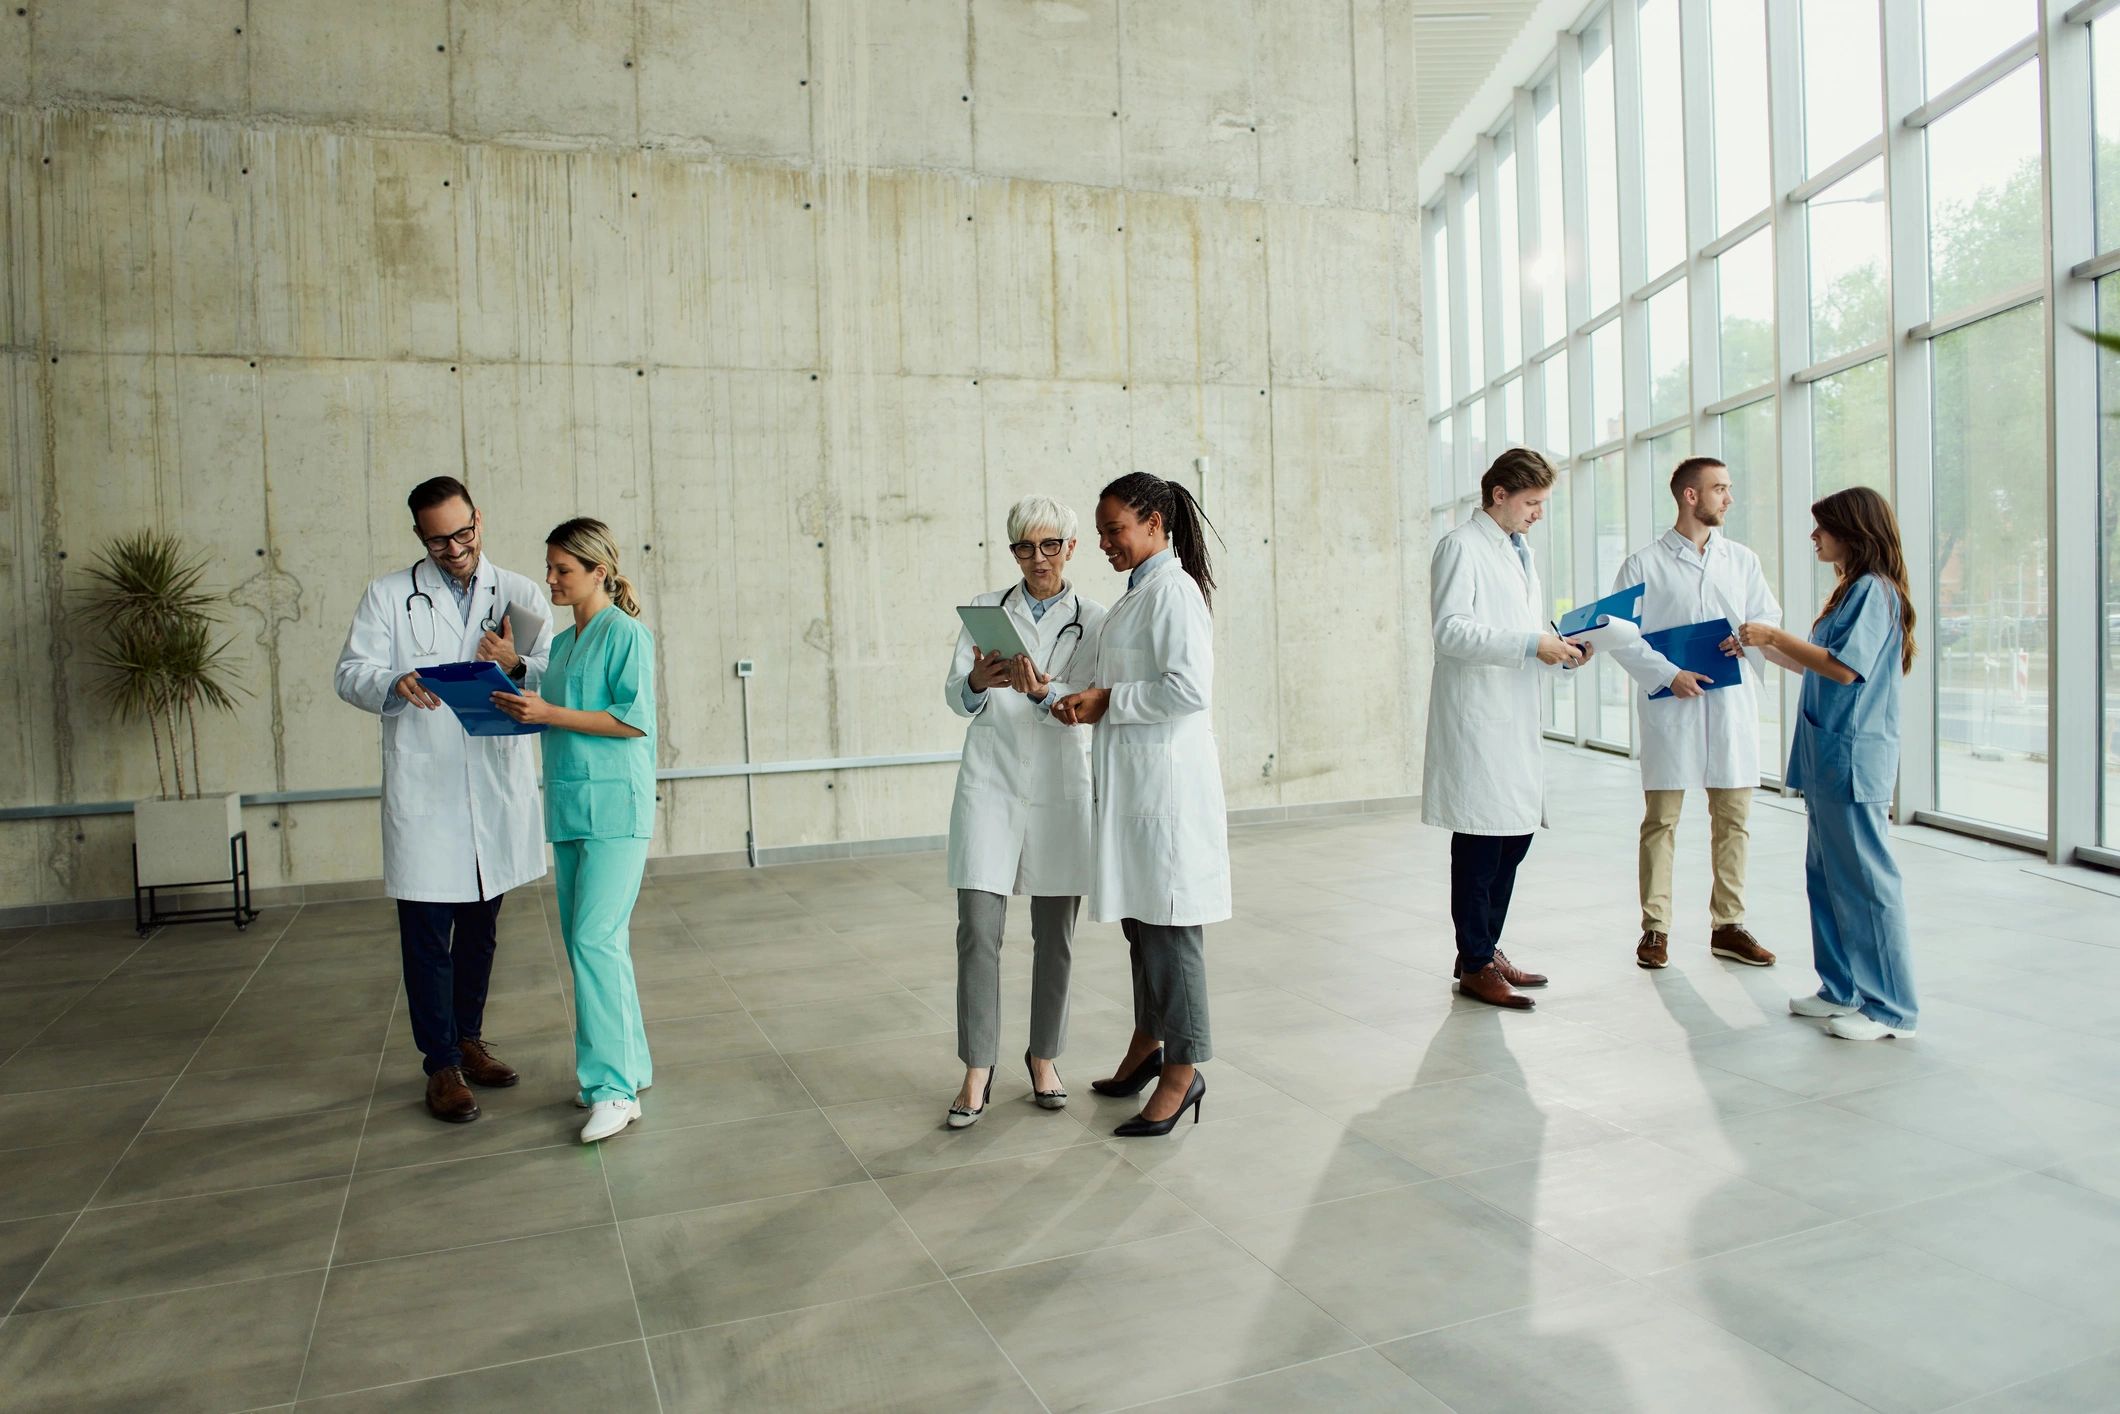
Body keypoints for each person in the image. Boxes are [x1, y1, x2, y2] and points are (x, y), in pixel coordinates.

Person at [334, 477, 550, 1124]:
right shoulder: (388, 596)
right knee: (427, 933)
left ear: (478, 520)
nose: (455, 548)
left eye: (464, 533)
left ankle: (470, 1039)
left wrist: (515, 664)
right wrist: (394, 681)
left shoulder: (518, 592)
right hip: (426, 788)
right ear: (419, 536)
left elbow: (552, 676)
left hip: (492, 781)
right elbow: (350, 673)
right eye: (438, 539)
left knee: (481, 929)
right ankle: (441, 1067)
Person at [1051, 472, 1227, 1137]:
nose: (1102, 543)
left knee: (1170, 930)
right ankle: (1145, 1045)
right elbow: (1119, 682)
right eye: (1099, 532)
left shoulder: (1174, 594)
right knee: (1142, 925)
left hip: (1168, 793)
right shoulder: (1136, 596)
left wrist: (1107, 703)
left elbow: (1187, 689)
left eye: (1113, 529)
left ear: (1154, 522)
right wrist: (1066, 693)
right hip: (1134, 788)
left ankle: (1183, 1072)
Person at [939, 496, 1108, 1128]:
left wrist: (1046, 692)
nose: (1036, 558)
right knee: (979, 932)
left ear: (1070, 548)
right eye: (1022, 547)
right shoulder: (986, 612)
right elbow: (957, 697)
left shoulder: (1094, 620)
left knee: (1054, 939)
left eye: (1048, 545)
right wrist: (981, 681)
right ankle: (977, 1068)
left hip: (1060, 787)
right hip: (991, 784)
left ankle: (1044, 1057)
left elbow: (1094, 701)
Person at [491, 519, 659, 1138]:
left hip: (617, 810)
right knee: (591, 941)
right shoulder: (561, 646)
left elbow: (630, 719)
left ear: (599, 571)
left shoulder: (627, 634)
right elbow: (551, 701)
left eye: (563, 569)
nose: (551, 580)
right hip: (568, 807)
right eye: (550, 568)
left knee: (595, 939)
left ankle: (612, 1090)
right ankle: (631, 1064)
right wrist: (514, 670)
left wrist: (548, 710)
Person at [1736, 486, 1918, 1041]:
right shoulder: (1847, 592)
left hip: (1855, 757)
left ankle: (1890, 1011)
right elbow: (1819, 667)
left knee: (1865, 881)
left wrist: (1774, 635)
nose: (1814, 537)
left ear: (1852, 531)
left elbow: (1844, 670)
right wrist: (1761, 647)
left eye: (1822, 528)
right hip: (1828, 755)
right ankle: (1840, 988)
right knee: (1826, 877)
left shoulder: (1873, 591)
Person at [1422, 448, 1591, 1010]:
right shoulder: (1460, 547)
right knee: (1480, 842)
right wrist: (1528, 644)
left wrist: (1556, 646)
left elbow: (1514, 624)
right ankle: (1474, 962)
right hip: (1478, 717)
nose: (1539, 513)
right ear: (1500, 495)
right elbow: (1450, 632)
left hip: (1514, 711)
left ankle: (1484, 948)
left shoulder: (1520, 550)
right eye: (1532, 502)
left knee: (1514, 837)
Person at [1607, 456, 1782, 971]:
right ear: (1690, 495)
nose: (1728, 498)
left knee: (1733, 820)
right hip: (1672, 705)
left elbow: (1768, 617)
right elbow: (1617, 633)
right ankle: (1655, 929)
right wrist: (1667, 674)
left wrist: (1746, 635)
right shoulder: (1644, 564)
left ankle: (1728, 926)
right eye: (1720, 489)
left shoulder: (1742, 560)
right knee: (1661, 821)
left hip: (1729, 707)